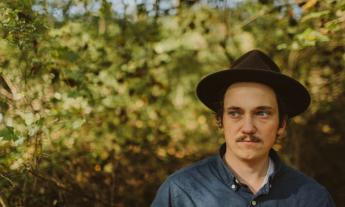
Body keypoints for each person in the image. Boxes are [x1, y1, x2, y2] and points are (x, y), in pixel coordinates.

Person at [151, 50, 335, 207]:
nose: (248, 128)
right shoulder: (180, 192)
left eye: (262, 113)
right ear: (220, 121)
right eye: (235, 113)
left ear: (281, 124)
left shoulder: (312, 198)